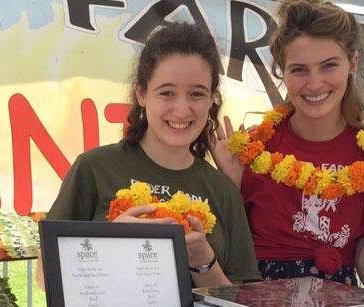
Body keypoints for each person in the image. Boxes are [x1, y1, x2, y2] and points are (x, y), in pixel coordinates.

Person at [212, 0, 364, 289]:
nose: (315, 83)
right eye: (299, 70)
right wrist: (231, 185)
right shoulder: (253, 149)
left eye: (328, 65)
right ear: (282, 72)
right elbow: (227, 258)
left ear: (352, 63)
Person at [37, 22, 261, 293]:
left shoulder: (223, 190)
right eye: (167, 92)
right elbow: (44, 276)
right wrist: (110, 243)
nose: (182, 109)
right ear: (141, 94)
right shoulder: (94, 168)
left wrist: (202, 259)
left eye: (197, 94)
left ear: (212, 98)